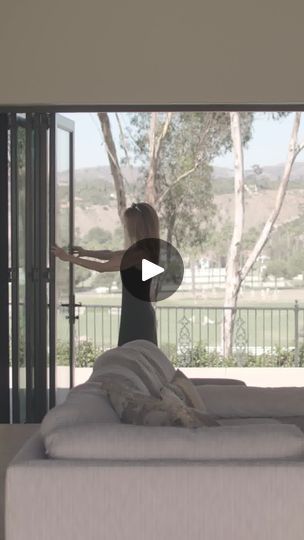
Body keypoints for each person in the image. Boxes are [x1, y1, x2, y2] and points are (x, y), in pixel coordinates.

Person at [51, 202, 159, 346]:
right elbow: (111, 255)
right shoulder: (142, 250)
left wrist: (68, 257)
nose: (125, 228)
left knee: (134, 362)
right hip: (136, 314)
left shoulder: (139, 254)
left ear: (136, 227)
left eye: (127, 225)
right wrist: (85, 252)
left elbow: (101, 267)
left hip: (138, 317)